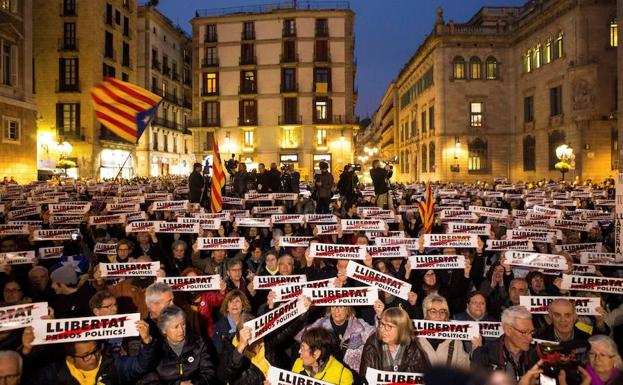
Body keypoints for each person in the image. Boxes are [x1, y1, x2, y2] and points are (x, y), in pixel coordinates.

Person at [27, 320, 157, 384]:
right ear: (71, 359)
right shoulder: (54, 373)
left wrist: (146, 340)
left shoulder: (113, 364)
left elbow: (141, 365)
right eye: (85, 356)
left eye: (95, 351)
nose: (94, 358)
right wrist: (26, 351)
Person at [141, 305, 217, 385]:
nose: (181, 330)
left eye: (183, 324)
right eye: (176, 327)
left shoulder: (198, 343)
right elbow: (148, 380)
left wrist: (194, 383)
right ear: (164, 330)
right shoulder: (156, 349)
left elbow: (209, 372)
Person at [295, 305, 377, 373]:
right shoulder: (321, 324)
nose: (336, 310)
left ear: (348, 309)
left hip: (352, 377)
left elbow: (379, 336)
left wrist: (380, 316)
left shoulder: (360, 326)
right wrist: (302, 313)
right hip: (326, 376)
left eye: (341, 307)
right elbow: (299, 336)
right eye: (333, 306)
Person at [471, 306, 538, 382]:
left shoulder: (538, 355)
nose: (530, 338)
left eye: (531, 332)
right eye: (524, 332)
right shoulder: (482, 355)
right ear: (508, 330)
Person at [359, 307, 430, 374]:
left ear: (401, 330)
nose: (382, 330)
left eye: (389, 326)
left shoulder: (413, 349)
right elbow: (364, 378)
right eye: (382, 324)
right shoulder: (372, 345)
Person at [417, 294, 475, 369]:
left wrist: (474, 350)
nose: (438, 315)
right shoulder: (416, 339)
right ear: (426, 314)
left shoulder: (455, 340)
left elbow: (465, 367)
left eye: (442, 312)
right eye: (433, 311)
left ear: (446, 315)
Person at [213, 289, 252, 354]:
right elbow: (219, 353)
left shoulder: (251, 322)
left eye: (237, 301)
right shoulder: (218, 328)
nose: (234, 304)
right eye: (231, 301)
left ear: (243, 306)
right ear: (227, 308)